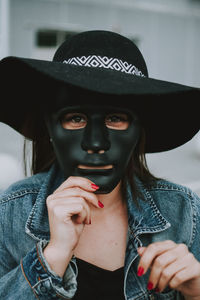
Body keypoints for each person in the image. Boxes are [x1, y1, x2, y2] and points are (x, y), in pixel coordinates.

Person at [0, 30, 200, 300]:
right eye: (75, 118)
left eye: (116, 118)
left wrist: (196, 290)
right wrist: (53, 257)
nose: (96, 143)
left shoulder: (185, 213)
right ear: (48, 127)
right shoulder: (9, 215)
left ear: (140, 129)